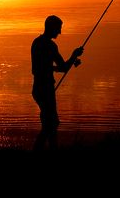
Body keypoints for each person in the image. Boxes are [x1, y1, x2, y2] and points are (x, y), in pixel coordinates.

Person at [30, 14, 83, 150]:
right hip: (46, 90)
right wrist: (74, 55)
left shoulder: (36, 43)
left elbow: (40, 68)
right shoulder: (51, 46)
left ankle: (51, 150)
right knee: (52, 123)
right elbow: (63, 68)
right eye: (58, 28)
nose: (59, 32)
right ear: (51, 28)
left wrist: (70, 61)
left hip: (37, 89)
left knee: (49, 123)